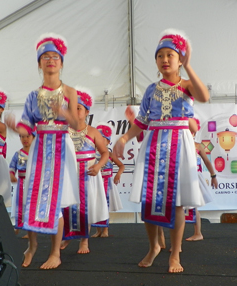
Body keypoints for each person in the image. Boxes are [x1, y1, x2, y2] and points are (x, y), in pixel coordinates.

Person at [113, 29, 210, 273]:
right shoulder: (150, 90)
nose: (165, 60)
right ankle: (154, 246)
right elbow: (142, 121)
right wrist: (124, 137)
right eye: (160, 56)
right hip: (154, 144)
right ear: (156, 62)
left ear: (179, 59)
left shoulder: (187, 85)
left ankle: (175, 254)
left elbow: (204, 97)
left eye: (170, 55)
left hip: (180, 145)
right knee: (149, 199)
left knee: (176, 203)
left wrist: (189, 67)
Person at [5, 33, 80, 269]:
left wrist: (65, 112)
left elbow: (77, 125)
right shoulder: (32, 96)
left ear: (61, 62)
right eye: (45, 57)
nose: (50, 60)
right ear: (39, 63)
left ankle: (55, 253)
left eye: (55, 56)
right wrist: (14, 126)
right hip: (39, 147)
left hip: (61, 145)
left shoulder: (69, 92)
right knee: (34, 196)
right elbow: (27, 125)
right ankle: (32, 246)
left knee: (56, 199)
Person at [61, 89, 109, 253]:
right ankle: (67, 237)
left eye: (78, 108)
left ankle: (84, 241)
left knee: (85, 207)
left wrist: (98, 166)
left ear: (87, 111)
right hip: (69, 175)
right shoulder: (63, 131)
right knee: (67, 206)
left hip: (88, 175)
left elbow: (105, 153)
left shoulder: (93, 132)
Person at [185, 118, 218, 242]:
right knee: (179, 207)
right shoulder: (178, 145)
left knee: (193, 206)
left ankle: (198, 232)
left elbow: (207, 161)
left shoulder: (197, 146)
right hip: (182, 178)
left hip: (194, 178)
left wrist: (213, 176)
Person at [91, 122, 124, 238]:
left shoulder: (110, 154)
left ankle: (105, 230)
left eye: (102, 139)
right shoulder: (92, 154)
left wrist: (118, 175)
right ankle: (98, 230)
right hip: (96, 182)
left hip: (107, 183)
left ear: (108, 141)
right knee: (96, 204)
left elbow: (122, 166)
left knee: (105, 204)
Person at [10, 132, 35, 230]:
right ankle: (21, 226)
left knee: (32, 205)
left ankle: (32, 228)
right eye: (22, 137)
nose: (25, 139)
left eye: (28, 136)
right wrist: (11, 175)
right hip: (21, 184)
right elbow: (12, 167)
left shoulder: (37, 153)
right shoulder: (18, 154)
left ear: (33, 137)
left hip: (34, 184)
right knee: (21, 205)